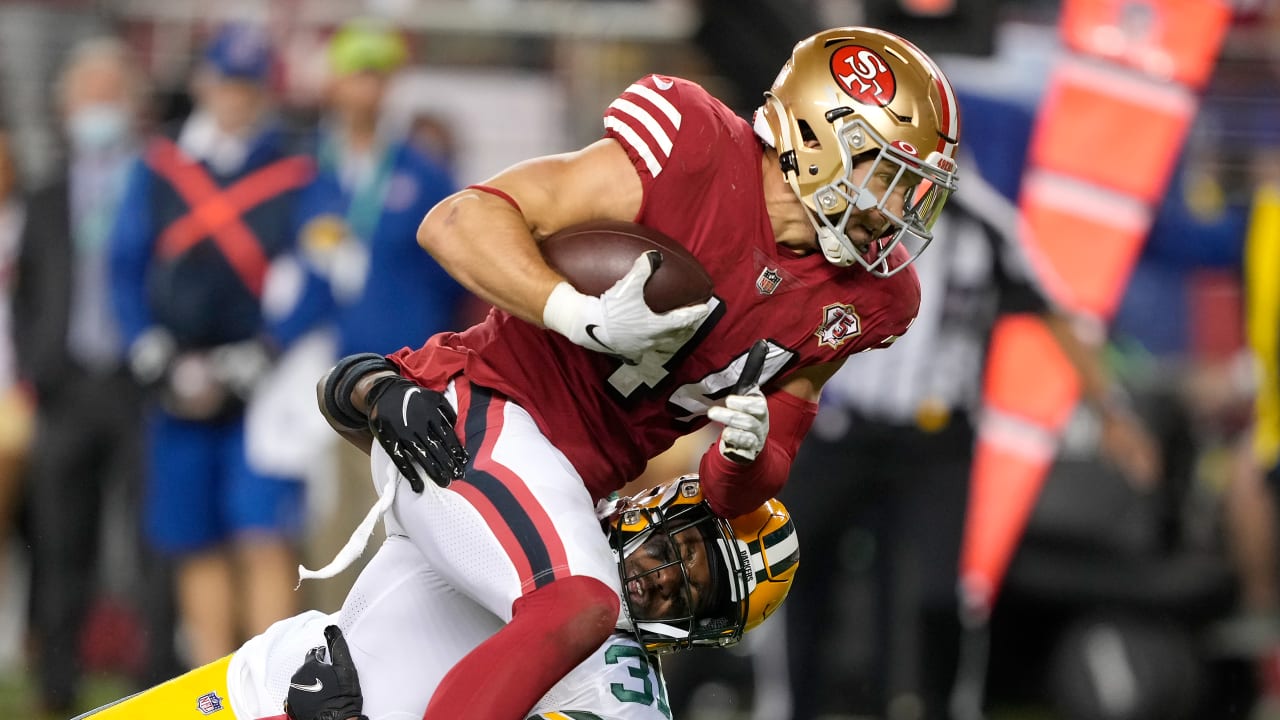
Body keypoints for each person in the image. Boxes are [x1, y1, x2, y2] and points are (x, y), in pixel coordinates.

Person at [310, 25, 961, 720]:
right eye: (886, 175)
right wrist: (572, 312)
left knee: (362, 693)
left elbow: (761, 469)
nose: (899, 209)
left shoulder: (864, 299)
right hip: (479, 413)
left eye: (913, 188)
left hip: (572, 488)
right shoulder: (696, 150)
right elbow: (458, 220)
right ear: (817, 137)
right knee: (577, 603)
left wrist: (744, 455)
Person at [779, 156, 1160, 719]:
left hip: (934, 443)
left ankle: (938, 706)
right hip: (844, 430)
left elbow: (1056, 313)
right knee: (786, 565)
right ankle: (789, 704)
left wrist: (1112, 415)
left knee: (933, 597)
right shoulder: (841, 206)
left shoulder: (985, 223)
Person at [68, 473, 800, 720]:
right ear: (661, 512)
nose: (668, 580)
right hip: (261, 678)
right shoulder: (551, 485)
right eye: (683, 552)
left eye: (695, 597)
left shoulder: (622, 692)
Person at [108, 24, 318, 666]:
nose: (236, 98)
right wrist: (146, 346)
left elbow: (317, 270)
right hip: (175, 378)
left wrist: (266, 350)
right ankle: (211, 683)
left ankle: (273, 684)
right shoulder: (161, 164)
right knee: (194, 538)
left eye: (249, 86)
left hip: (262, 385)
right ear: (205, 83)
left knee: (263, 533)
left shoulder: (297, 168)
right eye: (227, 83)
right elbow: (124, 264)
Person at [294, 18, 466, 611]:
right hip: (325, 378)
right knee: (335, 521)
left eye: (376, 75)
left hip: (406, 377)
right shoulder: (309, 169)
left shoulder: (422, 174)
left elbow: (457, 283)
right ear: (335, 82)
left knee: (409, 522)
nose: (365, 88)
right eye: (354, 74)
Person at [12, 38, 154, 715]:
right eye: (87, 95)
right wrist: (36, 368)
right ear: (66, 106)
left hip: (135, 383)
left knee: (145, 536)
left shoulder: (154, 185)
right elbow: (29, 292)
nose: (97, 107)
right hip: (67, 385)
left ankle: (150, 677)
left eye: (110, 95)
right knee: (60, 540)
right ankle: (57, 682)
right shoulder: (46, 194)